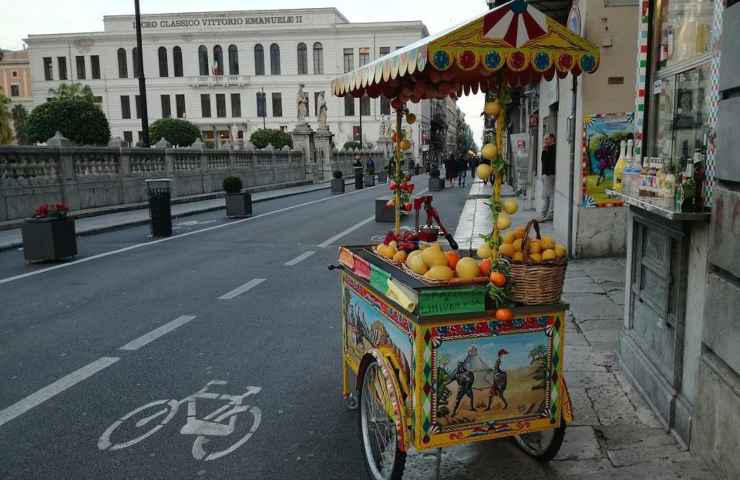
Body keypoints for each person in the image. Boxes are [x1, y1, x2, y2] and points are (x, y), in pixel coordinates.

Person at [539, 134, 556, 222]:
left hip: (549, 175)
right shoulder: (547, 149)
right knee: (546, 195)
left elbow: (546, 162)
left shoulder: (552, 149)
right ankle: (546, 214)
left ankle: (546, 215)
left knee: (548, 195)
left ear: (552, 139)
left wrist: (545, 150)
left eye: (546, 139)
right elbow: (543, 161)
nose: (544, 141)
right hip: (546, 175)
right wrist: (544, 150)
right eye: (544, 139)